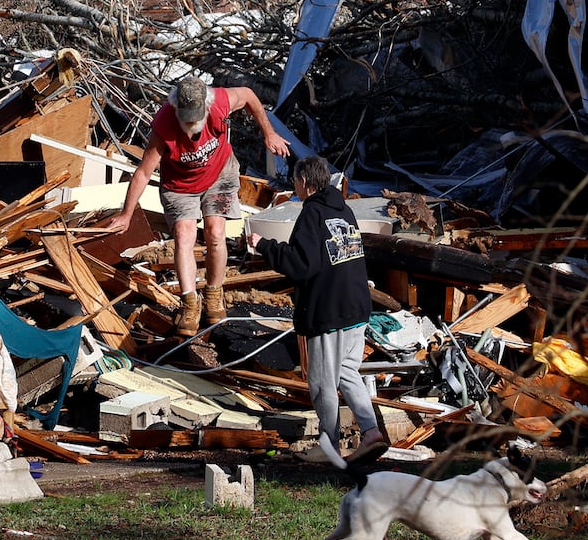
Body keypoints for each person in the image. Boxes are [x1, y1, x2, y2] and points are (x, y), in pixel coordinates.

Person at [103, 75, 292, 337]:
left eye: (196, 121)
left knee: (215, 233)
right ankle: (190, 302)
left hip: (220, 174)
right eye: (187, 122)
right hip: (181, 185)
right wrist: (126, 214)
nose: (191, 128)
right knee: (183, 236)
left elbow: (249, 94)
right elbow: (144, 173)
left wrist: (269, 133)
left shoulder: (221, 102)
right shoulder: (164, 126)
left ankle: (214, 293)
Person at [246, 155, 386, 468]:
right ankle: (372, 431)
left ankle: (329, 444)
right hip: (357, 307)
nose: (294, 187)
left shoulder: (312, 214)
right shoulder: (344, 210)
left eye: (295, 181)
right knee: (348, 372)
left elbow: (301, 265)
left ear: (305, 183)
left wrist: (264, 245)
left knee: (323, 381)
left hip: (330, 310)